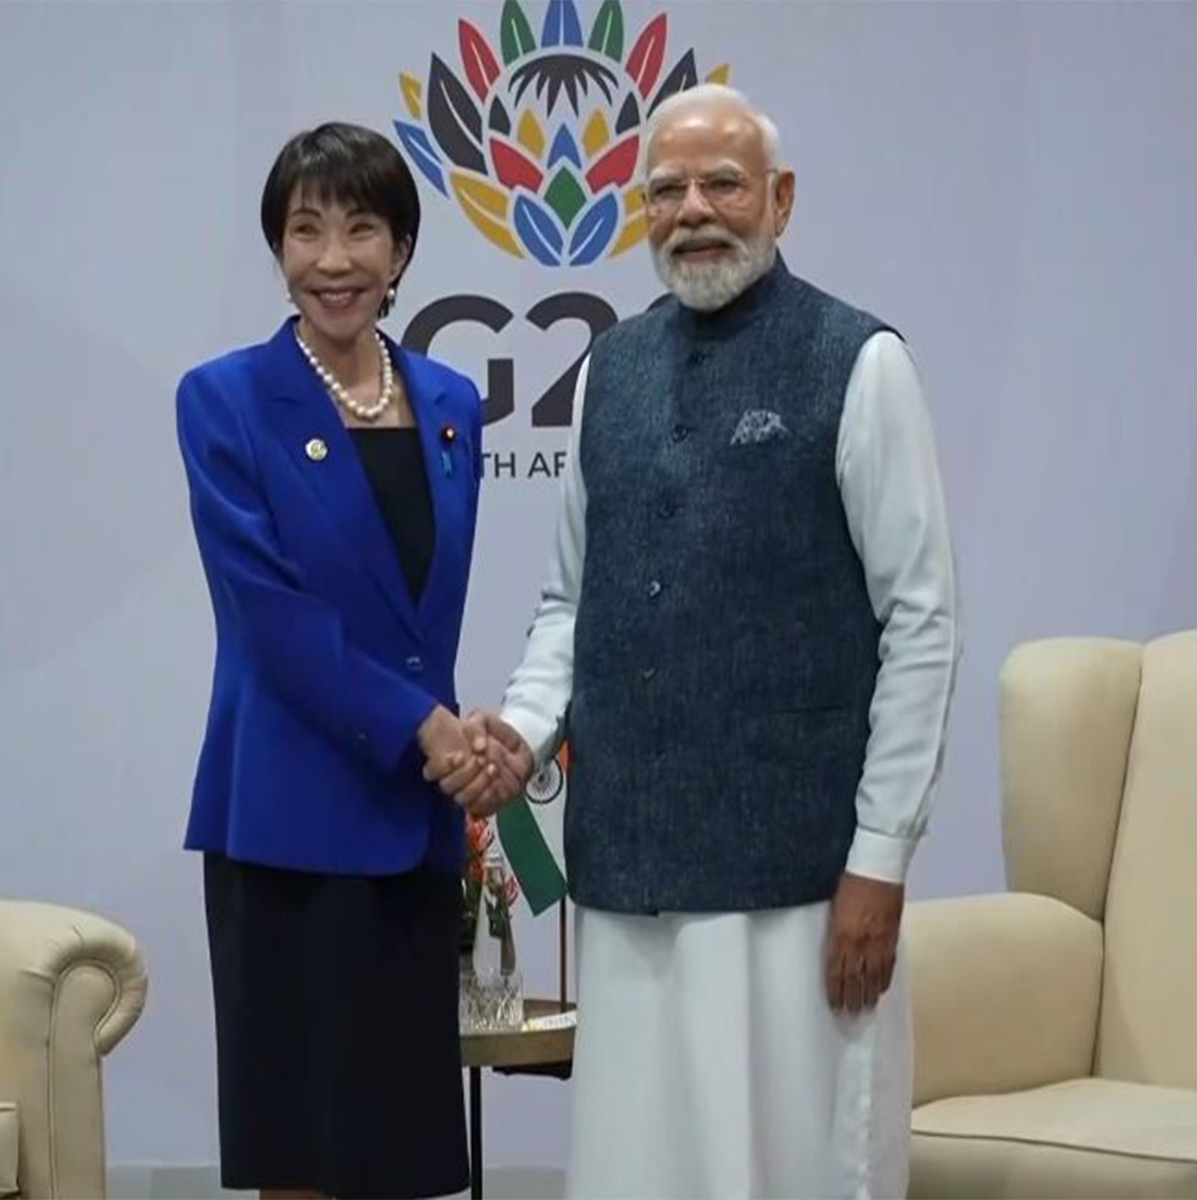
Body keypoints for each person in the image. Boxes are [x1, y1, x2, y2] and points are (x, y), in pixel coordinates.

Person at [436, 84, 960, 1197]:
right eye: (665, 189)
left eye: (722, 183)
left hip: (802, 882)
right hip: (631, 873)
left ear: (780, 199)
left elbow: (921, 623)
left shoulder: (859, 362)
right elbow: (573, 597)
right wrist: (523, 734)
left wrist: (879, 859)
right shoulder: (609, 373)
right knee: (644, 1166)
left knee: (790, 1165)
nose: (693, 211)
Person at [177, 122, 491, 1200]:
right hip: (290, 825)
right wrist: (424, 727)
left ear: (401, 251)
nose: (333, 259)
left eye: (361, 229)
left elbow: (417, 616)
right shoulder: (223, 399)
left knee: (400, 1160)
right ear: (278, 250)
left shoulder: (452, 405)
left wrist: (456, 748)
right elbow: (271, 615)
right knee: (304, 1160)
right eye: (305, 230)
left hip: (409, 824)